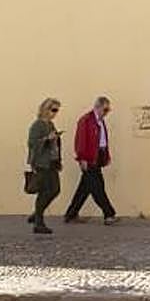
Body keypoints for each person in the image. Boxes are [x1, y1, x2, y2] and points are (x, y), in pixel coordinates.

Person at [63, 96, 119, 225]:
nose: (106, 113)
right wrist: (82, 158)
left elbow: (103, 140)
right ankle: (109, 214)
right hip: (89, 158)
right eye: (105, 110)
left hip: (98, 156)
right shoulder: (86, 120)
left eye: (108, 110)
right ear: (98, 107)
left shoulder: (100, 121)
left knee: (85, 188)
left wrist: (107, 156)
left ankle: (71, 214)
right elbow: (80, 140)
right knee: (98, 187)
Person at [26, 98, 63, 235]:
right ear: (45, 109)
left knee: (55, 190)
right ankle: (38, 222)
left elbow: (55, 145)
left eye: (57, 110)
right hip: (42, 163)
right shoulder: (38, 125)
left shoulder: (50, 125)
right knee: (45, 191)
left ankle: (36, 214)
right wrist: (47, 139)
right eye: (53, 110)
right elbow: (32, 143)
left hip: (51, 162)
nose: (55, 113)